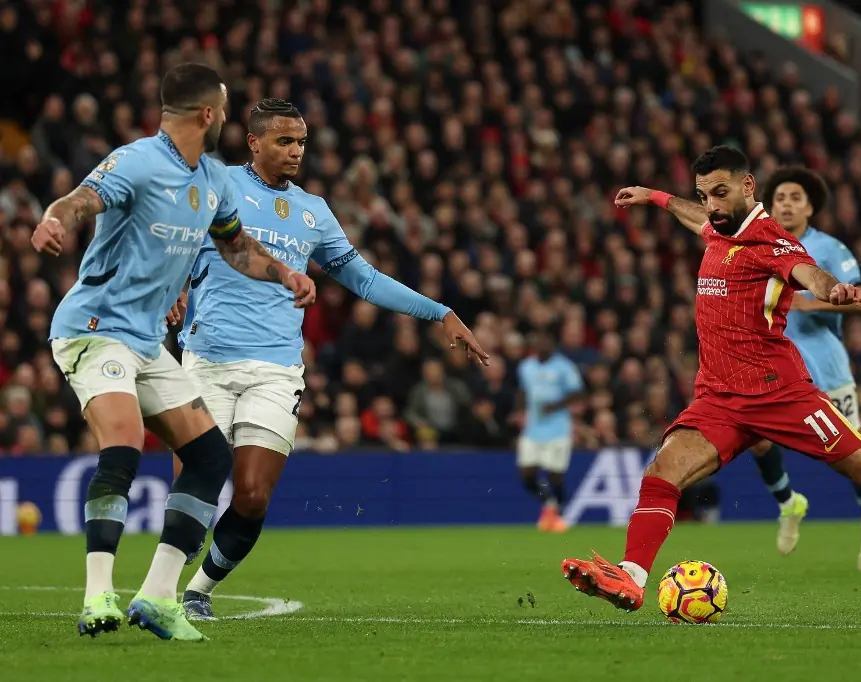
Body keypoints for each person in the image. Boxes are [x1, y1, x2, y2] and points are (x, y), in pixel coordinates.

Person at [561, 145, 861, 612]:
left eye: (721, 192)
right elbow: (698, 219)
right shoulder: (719, 226)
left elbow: (808, 272)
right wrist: (655, 196)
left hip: (779, 393)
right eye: (705, 195)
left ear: (748, 186)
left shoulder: (771, 241)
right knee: (662, 472)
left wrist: (834, 288)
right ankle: (630, 577)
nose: (712, 205)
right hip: (719, 398)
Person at [171, 98, 487, 621]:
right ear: (254, 142)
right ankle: (165, 577)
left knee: (252, 496)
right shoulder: (218, 184)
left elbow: (365, 279)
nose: (296, 151)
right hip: (206, 360)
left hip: (276, 369)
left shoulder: (313, 211)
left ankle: (199, 591)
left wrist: (440, 312)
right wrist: (172, 288)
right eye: (284, 141)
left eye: (301, 142)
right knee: (194, 494)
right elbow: (171, 237)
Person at [34, 64, 316, 641]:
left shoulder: (213, 178)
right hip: (95, 327)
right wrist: (52, 219)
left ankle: (159, 597)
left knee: (210, 459)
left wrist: (284, 273)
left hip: (146, 340)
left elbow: (236, 247)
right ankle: (97, 596)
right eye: (225, 107)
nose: (228, 116)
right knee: (123, 444)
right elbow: (79, 200)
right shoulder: (137, 161)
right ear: (209, 113)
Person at [747, 167, 861, 571]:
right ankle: (789, 503)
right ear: (770, 207)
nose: (787, 205)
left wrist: (812, 302)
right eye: (780, 199)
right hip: (775, 364)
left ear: (810, 207)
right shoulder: (758, 245)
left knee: (855, 456)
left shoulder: (828, 248)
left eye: (796, 198)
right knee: (756, 439)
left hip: (825, 364)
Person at [515, 326, 584, 532]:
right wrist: (519, 411)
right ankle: (549, 503)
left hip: (558, 429)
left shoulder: (564, 367)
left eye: (546, 341)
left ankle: (559, 514)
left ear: (553, 345)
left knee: (555, 476)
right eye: (539, 341)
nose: (542, 345)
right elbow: (523, 391)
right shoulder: (526, 367)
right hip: (532, 429)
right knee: (526, 473)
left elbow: (577, 393)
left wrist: (555, 406)